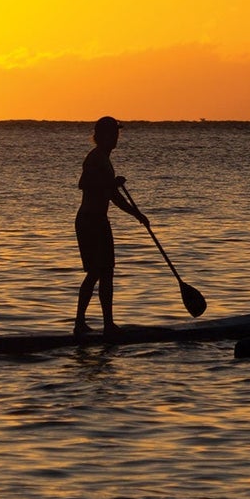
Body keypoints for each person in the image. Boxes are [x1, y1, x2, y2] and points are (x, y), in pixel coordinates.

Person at [75, 116, 149, 337]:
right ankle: (79, 323)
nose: (116, 137)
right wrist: (110, 183)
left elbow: (114, 197)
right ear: (102, 136)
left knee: (107, 272)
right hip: (89, 221)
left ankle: (108, 324)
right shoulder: (95, 158)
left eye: (117, 133)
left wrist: (137, 214)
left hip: (100, 221)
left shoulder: (106, 159)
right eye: (112, 134)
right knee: (96, 272)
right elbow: (84, 184)